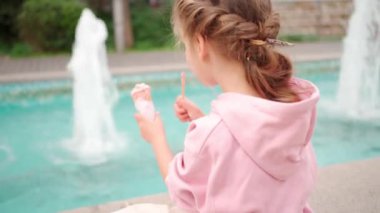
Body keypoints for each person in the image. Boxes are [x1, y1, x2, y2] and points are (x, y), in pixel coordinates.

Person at [134, 0, 320, 212]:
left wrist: (156, 137)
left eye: (184, 45)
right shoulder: (293, 111)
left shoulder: (211, 135)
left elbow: (183, 196)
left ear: (200, 44)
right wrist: (205, 123)